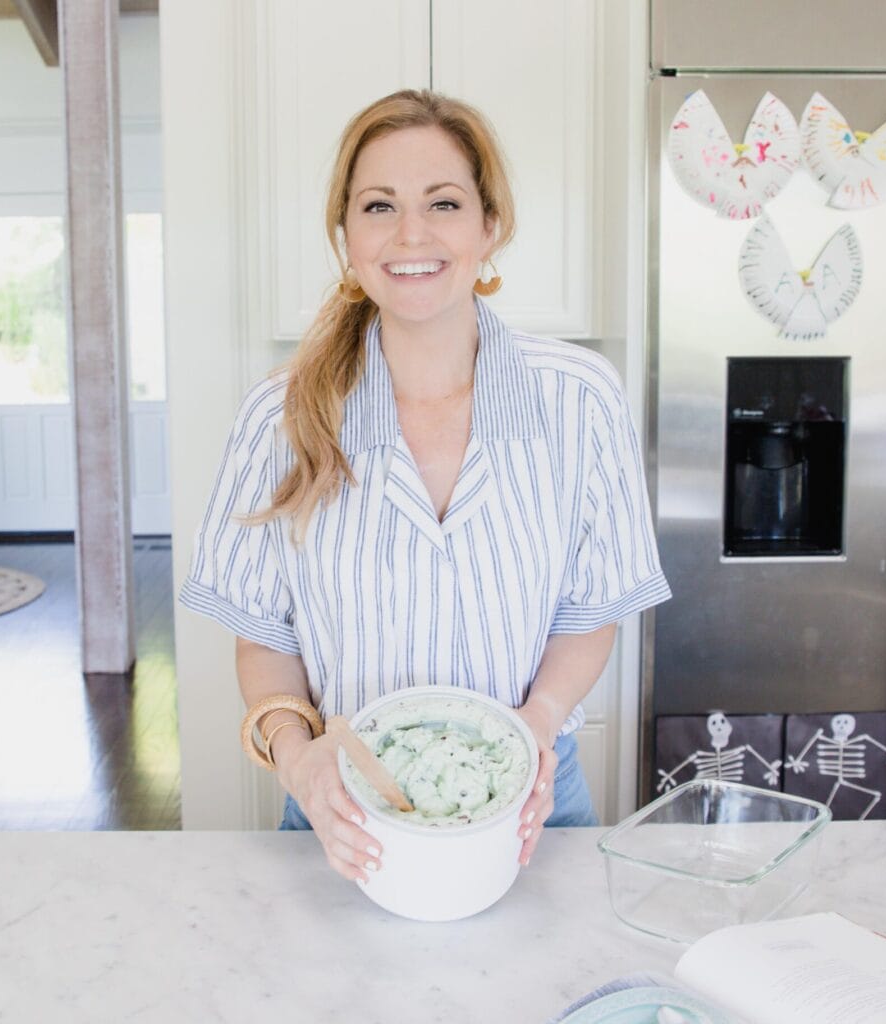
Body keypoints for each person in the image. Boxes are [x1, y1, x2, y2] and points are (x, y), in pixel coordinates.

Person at [180, 89, 670, 883]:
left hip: (532, 806)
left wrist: (535, 728)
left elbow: (593, 606)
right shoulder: (281, 414)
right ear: (346, 233)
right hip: (339, 812)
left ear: (490, 224)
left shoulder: (580, 398)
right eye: (379, 205)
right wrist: (299, 762)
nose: (411, 234)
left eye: (443, 202)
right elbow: (263, 633)